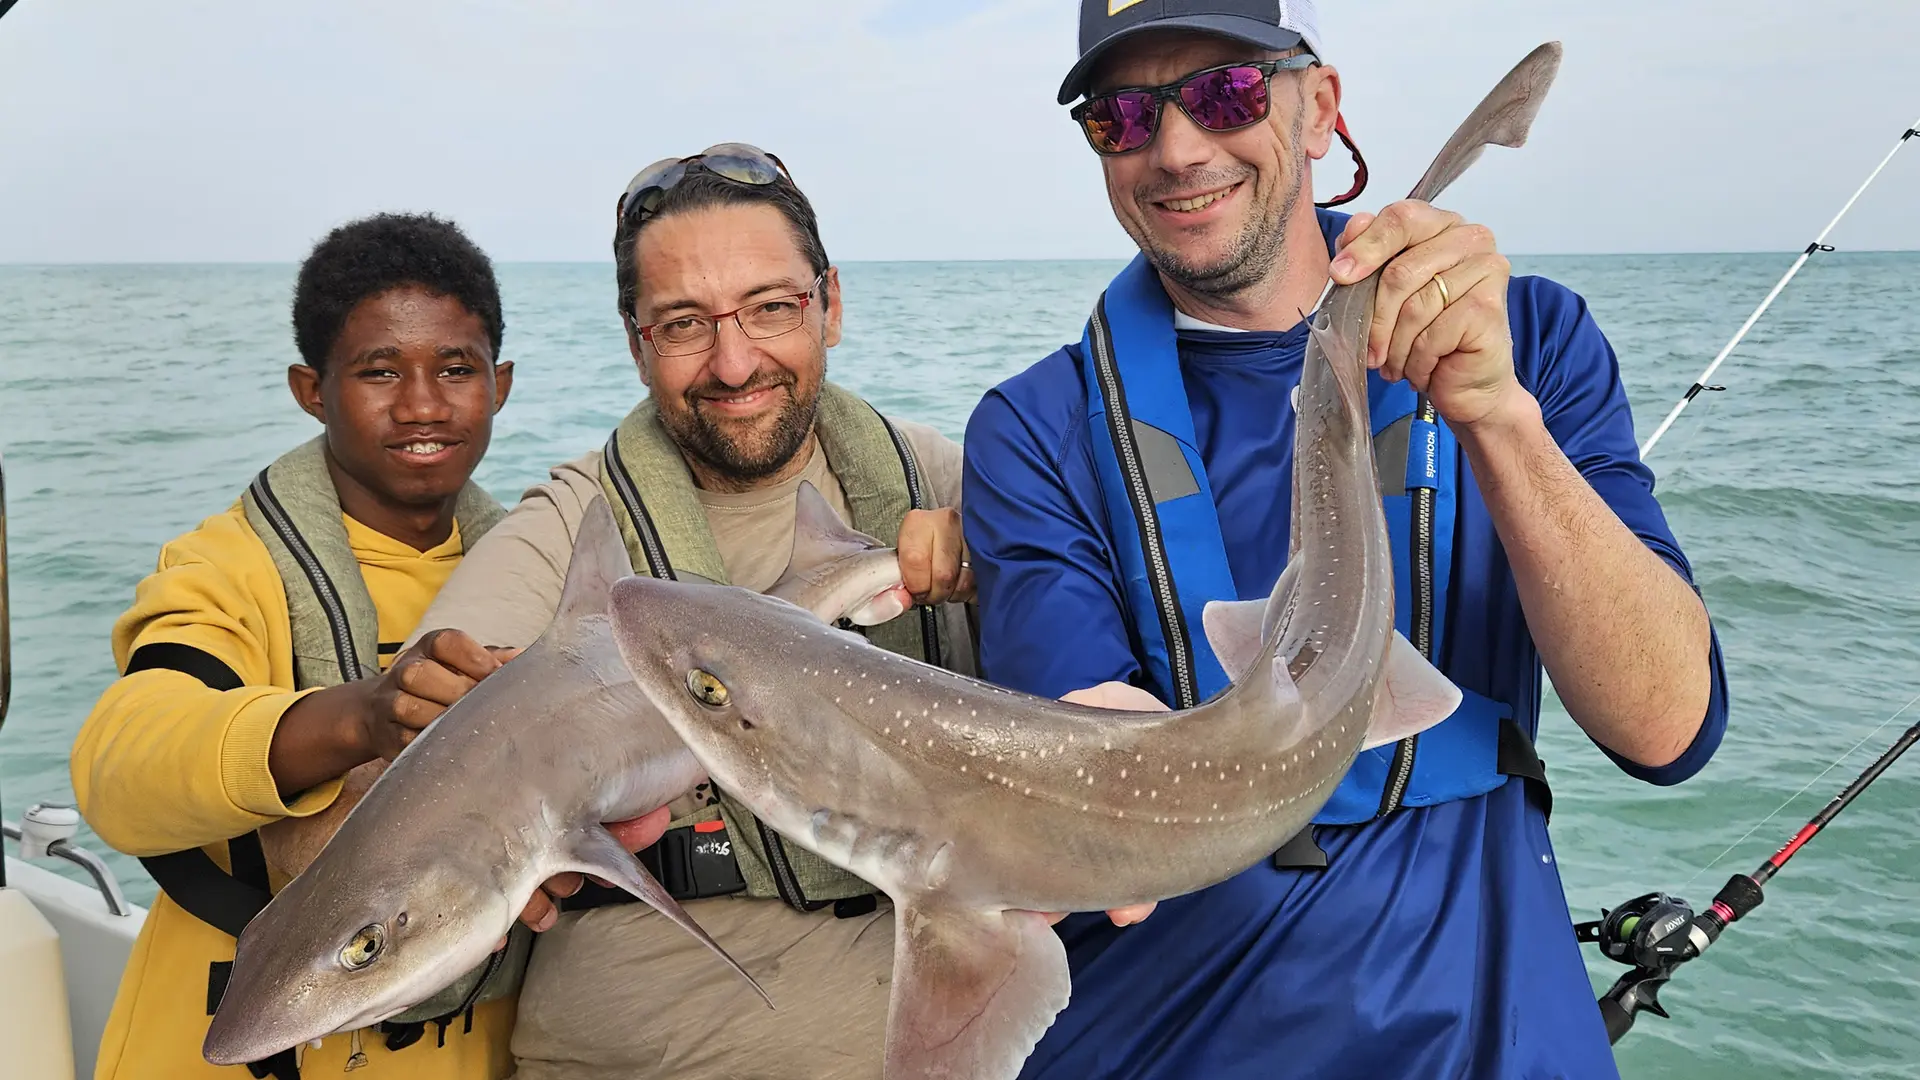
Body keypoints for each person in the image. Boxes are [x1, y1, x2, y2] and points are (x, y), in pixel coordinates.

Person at [960, 5, 1731, 1079]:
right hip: (1165, 1035)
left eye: (1226, 93)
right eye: (1123, 118)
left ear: (1318, 107)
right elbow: (1093, 791)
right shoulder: (1032, 431)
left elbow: (1668, 730)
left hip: (1496, 1035)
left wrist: (1499, 418)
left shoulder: (1534, 340)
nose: (1176, 150)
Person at [398, 144, 983, 1080]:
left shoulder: (950, 487)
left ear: (830, 303)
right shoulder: (570, 525)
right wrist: (430, 699)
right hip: (649, 1041)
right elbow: (440, 694)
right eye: (683, 325)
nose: (735, 361)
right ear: (636, 346)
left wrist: (1002, 571)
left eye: (771, 307)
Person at [70, 212, 554, 1078]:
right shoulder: (228, 566)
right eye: (378, 372)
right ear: (311, 389)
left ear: (501, 383)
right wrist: (364, 718)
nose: (422, 405)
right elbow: (118, 764)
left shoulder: (538, 573)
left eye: (456, 369)